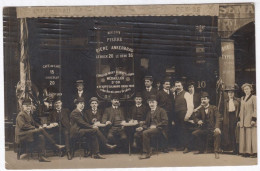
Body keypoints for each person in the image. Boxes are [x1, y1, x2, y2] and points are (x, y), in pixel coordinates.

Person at [192, 92, 222, 159]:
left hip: (213, 128)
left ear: (208, 100)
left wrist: (217, 127)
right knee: (195, 133)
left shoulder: (214, 108)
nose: (203, 101)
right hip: (204, 129)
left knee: (217, 133)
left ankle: (216, 151)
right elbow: (194, 117)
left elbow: (218, 118)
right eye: (202, 99)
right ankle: (201, 149)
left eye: (205, 99)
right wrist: (198, 121)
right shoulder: (200, 109)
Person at [137, 95, 168, 159]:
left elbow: (165, 121)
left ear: (156, 103)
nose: (151, 104)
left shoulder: (161, 110)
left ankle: (147, 153)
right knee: (138, 133)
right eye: (150, 103)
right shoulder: (149, 112)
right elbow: (147, 124)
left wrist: (156, 126)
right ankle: (148, 149)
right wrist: (142, 127)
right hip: (150, 129)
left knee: (145, 133)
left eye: (153, 102)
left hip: (159, 129)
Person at [237, 83, 257, 158]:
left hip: (251, 120)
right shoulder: (242, 98)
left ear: (251, 89)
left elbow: (256, 109)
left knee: (252, 136)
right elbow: (241, 110)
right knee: (244, 136)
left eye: (247, 89)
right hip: (243, 120)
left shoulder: (254, 98)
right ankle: (246, 152)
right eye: (245, 89)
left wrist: (254, 119)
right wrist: (239, 120)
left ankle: (254, 152)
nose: (246, 90)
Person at [173, 81, 194, 152]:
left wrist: (187, 116)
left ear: (182, 86)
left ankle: (187, 147)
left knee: (185, 131)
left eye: (179, 86)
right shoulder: (175, 94)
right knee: (180, 130)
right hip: (177, 115)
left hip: (184, 115)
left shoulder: (186, 94)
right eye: (176, 86)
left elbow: (191, 106)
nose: (177, 87)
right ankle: (182, 146)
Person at [156, 78, 174, 152]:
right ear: (163, 85)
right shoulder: (159, 93)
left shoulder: (171, 93)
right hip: (162, 115)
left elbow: (172, 105)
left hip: (169, 115)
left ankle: (167, 146)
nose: (168, 85)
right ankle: (163, 147)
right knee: (163, 130)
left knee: (168, 130)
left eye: (169, 84)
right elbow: (157, 104)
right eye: (166, 84)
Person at [222, 86, 240, 154]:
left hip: (235, 117)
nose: (230, 94)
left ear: (234, 93)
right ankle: (229, 148)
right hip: (227, 117)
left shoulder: (238, 100)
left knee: (234, 133)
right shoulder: (225, 101)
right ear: (227, 93)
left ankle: (236, 149)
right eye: (229, 92)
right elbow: (222, 110)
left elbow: (240, 110)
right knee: (228, 132)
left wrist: (239, 119)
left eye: (232, 92)